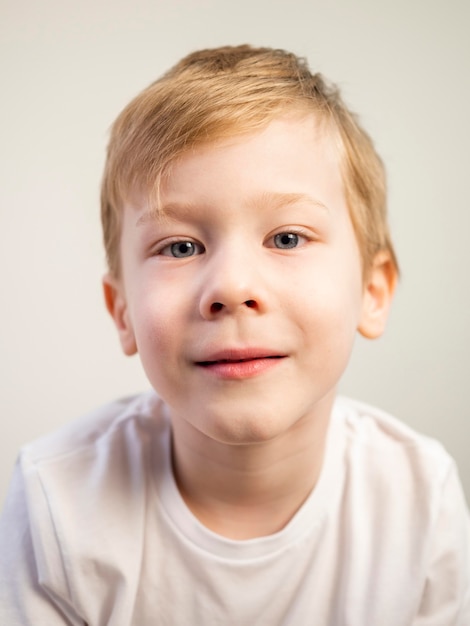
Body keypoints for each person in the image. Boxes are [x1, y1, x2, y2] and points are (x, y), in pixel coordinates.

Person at [1, 45, 469, 625]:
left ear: (372, 292)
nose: (231, 286)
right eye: (179, 246)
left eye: (288, 238)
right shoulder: (58, 505)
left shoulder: (419, 498)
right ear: (121, 311)